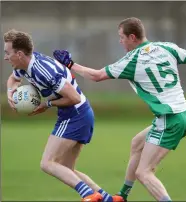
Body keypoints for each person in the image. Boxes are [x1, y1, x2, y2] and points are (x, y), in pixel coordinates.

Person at [53, 17, 186, 201]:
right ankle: (122, 196)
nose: (120, 41)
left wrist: (70, 64)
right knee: (137, 143)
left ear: (132, 37)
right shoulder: (166, 47)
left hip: (169, 119)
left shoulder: (132, 60)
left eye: (121, 37)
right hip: (184, 114)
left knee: (145, 173)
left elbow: (97, 76)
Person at [4, 29, 124, 202]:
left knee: (47, 163)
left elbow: (73, 97)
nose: (6, 57)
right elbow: (13, 79)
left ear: (20, 54)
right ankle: (109, 200)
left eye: (8, 53)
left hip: (75, 114)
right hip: (81, 113)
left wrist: (47, 105)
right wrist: (10, 91)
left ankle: (89, 195)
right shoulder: (24, 66)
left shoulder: (43, 70)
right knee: (66, 168)